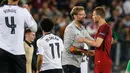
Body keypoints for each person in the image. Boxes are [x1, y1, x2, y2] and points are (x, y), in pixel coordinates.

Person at [0, 0, 37, 73]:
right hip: (18, 52)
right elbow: (34, 28)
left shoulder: (0, 11)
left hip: (2, 50)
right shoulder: (23, 11)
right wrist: (29, 13)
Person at [76, 6, 112, 73]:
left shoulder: (104, 27)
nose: (92, 17)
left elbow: (97, 44)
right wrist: (94, 52)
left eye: (94, 15)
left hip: (102, 62)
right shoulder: (103, 27)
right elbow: (104, 44)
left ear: (98, 16)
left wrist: (84, 39)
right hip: (101, 61)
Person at [62, 6, 93, 73]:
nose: (83, 16)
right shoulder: (70, 28)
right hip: (69, 63)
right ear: (74, 16)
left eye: (84, 14)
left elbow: (91, 40)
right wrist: (85, 51)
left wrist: (105, 40)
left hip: (77, 63)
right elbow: (68, 48)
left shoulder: (82, 28)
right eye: (80, 14)